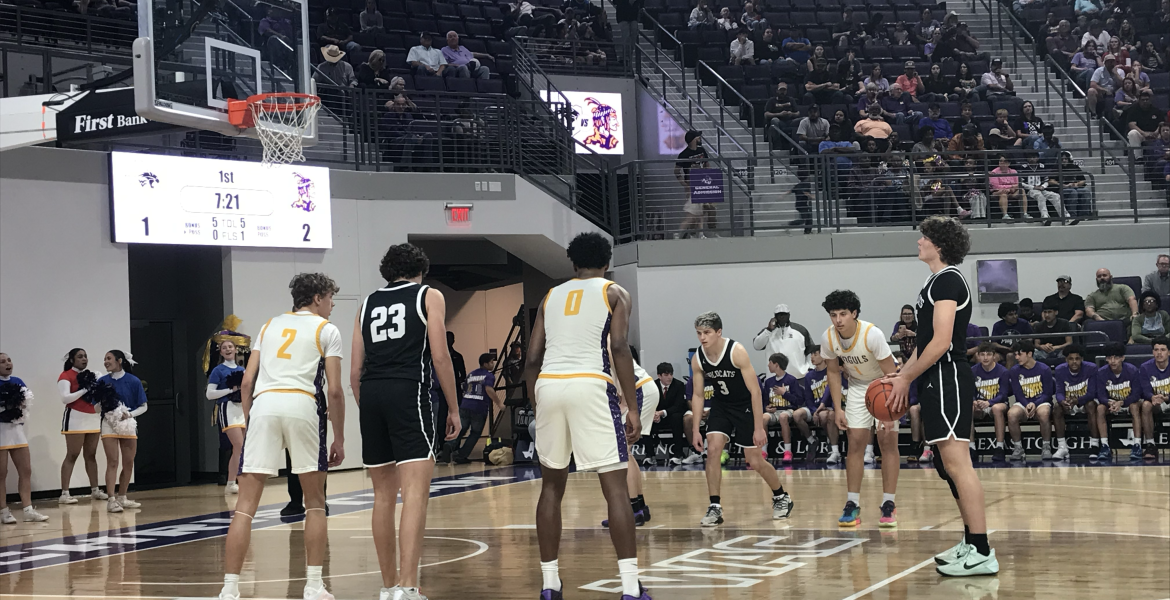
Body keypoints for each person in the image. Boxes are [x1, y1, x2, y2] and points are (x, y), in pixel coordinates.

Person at [523, 233, 650, 600]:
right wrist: (632, 406)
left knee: (550, 488)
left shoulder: (551, 295)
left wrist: (537, 402)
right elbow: (620, 348)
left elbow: (532, 358)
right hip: (590, 384)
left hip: (548, 384)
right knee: (615, 489)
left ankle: (550, 584)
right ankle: (629, 588)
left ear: (573, 263)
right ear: (607, 262)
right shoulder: (614, 292)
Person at [882, 215, 998, 577]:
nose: (919, 241)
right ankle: (970, 541)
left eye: (924, 236)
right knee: (945, 465)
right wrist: (902, 375)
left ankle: (982, 550)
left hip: (948, 377)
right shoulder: (934, 281)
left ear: (939, 244)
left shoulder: (948, 279)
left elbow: (942, 341)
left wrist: (906, 381)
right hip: (935, 377)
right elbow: (924, 344)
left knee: (958, 463)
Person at [218, 274, 346, 600]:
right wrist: (339, 437)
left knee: (245, 507)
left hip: (264, 405)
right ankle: (314, 586)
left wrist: (252, 421)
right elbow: (334, 390)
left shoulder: (268, 326)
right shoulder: (326, 329)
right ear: (317, 297)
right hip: (302, 404)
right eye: (331, 298)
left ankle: (230, 589)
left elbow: (247, 383)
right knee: (315, 504)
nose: (332, 305)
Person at [350, 247, 458, 600]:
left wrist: (369, 406)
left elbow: (355, 372)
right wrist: (454, 410)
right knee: (415, 494)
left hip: (371, 393)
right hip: (408, 391)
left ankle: (388, 586)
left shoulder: (365, 304)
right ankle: (408, 587)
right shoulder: (429, 295)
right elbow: (440, 356)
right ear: (421, 270)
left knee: (383, 495)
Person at [691, 311, 793, 527]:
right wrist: (695, 430)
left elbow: (755, 392)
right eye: (699, 333)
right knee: (713, 451)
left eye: (707, 332)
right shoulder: (698, 358)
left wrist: (759, 427)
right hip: (721, 405)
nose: (702, 337)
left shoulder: (736, 352)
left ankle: (781, 496)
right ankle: (715, 506)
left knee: (755, 460)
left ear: (719, 332)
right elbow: (698, 395)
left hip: (745, 405)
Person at [820, 290, 900, 528]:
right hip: (856, 389)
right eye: (834, 315)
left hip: (885, 386)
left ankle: (889, 503)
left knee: (888, 442)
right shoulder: (828, 337)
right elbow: (833, 372)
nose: (838, 320)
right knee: (855, 442)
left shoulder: (871, 334)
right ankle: (852, 503)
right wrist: (838, 408)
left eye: (843, 314)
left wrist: (890, 411)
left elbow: (892, 373)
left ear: (854, 313)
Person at [601, 351, 660, 527]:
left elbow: (621, 368)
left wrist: (626, 402)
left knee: (621, 452)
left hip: (638, 388)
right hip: (641, 388)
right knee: (626, 450)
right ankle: (640, 507)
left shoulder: (607, 339)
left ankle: (632, 510)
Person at [95, 350, 147, 514]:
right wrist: (103, 403)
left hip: (127, 423)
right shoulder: (102, 382)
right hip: (108, 423)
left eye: (109, 359)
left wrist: (129, 414)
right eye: (104, 359)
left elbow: (144, 406)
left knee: (128, 462)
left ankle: (122, 497)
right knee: (112, 461)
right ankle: (111, 499)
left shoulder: (133, 381)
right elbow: (95, 408)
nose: (105, 362)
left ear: (119, 361)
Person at [0, 353, 49, 524]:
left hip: (16, 429)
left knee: (26, 470)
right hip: (0, 430)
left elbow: (26, 404)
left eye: (9, 360)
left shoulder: (18, 382)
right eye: (2, 362)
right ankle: (3, 511)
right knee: (1, 473)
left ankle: (28, 509)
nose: (7, 363)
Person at [57, 348, 107, 504]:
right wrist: (85, 389)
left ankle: (95, 490)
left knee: (91, 455)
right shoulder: (66, 376)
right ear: (72, 360)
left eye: (85, 356)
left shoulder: (92, 375)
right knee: (72, 454)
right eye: (80, 357)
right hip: (75, 418)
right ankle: (64, 493)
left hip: (92, 417)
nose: (84, 359)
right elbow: (66, 398)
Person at [206, 330, 250, 495]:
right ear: (221, 351)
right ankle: (234, 481)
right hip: (227, 408)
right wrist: (229, 390)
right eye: (224, 347)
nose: (228, 349)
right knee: (238, 445)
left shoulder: (243, 370)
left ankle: (235, 481)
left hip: (241, 409)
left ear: (236, 349)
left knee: (242, 447)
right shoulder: (218, 370)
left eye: (230, 346)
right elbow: (209, 394)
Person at [444, 353, 501, 464]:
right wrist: (499, 403)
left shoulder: (471, 374)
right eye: (491, 362)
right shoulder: (489, 376)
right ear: (485, 364)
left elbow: (465, 388)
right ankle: (461, 455)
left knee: (460, 429)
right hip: (479, 407)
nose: (493, 364)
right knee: (475, 433)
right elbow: (489, 389)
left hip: (465, 404)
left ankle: (449, 445)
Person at [1005, 341, 1055, 461]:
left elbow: (1048, 394)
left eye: (1019, 354)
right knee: (1011, 414)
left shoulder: (1044, 369)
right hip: (1023, 402)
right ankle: (1018, 448)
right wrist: (1027, 404)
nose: (1017, 357)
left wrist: (1035, 403)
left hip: (1041, 401)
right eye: (1015, 355)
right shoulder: (1014, 371)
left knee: (1043, 413)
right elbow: (1017, 393)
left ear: (1029, 354)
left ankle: (1046, 446)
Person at [761, 353, 814, 463]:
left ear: (776, 365)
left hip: (787, 410)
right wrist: (767, 408)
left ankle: (787, 451)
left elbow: (799, 401)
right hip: (773, 411)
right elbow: (765, 400)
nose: (768, 365)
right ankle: (763, 451)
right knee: (763, 418)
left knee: (783, 417)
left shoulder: (791, 380)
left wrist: (784, 393)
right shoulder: (768, 382)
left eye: (770, 363)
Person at [1096, 343, 1142, 461]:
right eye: (1109, 358)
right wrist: (1109, 402)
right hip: (1111, 404)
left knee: (1134, 407)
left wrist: (1121, 403)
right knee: (1100, 408)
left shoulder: (1132, 370)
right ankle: (1105, 446)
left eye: (1116, 357)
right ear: (1106, 359)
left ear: (1122, 358)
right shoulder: (1101, 372)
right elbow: (1100, 395)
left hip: (1127, 402)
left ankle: (1137, 445)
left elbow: (1136, 394)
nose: (1113, 361)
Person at [752, 303, 815, 385]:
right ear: (774, 316)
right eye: (779, 315)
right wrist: (768, 330)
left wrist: (810, 369)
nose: (781, 317)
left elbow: (811, 351)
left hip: (799, 378)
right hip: (774, 379)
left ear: (789, 315)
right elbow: (757, 345)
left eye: (784, 315)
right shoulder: (768, 332)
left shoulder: (800, 330)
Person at [970, 343, 1009, 462]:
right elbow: (969, 392)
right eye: (982, 355)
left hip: (998, 403)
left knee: (996, 409)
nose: (985, 358)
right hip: (980, 404)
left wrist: (989, 402)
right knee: (967, 407)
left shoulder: (1003, 371)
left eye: (988, 354)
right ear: (978, 356)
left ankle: (999, 447)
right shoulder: (972, 371)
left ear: (994, 356)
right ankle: (971, 447)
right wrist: (974, 401)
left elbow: (1003, 394)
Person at [674, 130, 716, 236]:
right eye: (698, 137)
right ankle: (692, 234)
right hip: (692, 185)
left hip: (703, 184)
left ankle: (706, 233)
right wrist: (685, 185)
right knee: (694, 214)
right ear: (693, 139)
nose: (700, 139)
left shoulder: (702, 150)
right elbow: (676, 171)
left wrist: (709, 178)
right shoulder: (684, 154)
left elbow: (707, 164)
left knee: (709, 209)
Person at [806, 346, 842, 464]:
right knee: (821, 416)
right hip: (818, 408)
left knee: (828, 415)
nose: (812, 357)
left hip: (832, 405)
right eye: (811, 355)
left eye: (815, 354)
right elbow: (808, 398)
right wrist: (814, 411)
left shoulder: (831, 371)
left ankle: (833, 448)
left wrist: (823, 406)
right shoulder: (809, 376)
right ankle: (831, 444)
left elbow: (831, 390)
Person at [1138, 337, 1170, 459]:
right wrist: (1153, 397)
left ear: (1169, 352)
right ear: (1152, 352)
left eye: (1162, 350)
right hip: (1156, 402)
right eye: (1156, 350)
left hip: (1168, 399)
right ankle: (1150, 444)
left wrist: (1167, 398)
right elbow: (1144, 390)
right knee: (1146, 405)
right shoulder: (1145, 367)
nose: (1159, 353)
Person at [654, 362, 689, 465]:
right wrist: (655, 414)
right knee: (647, 419)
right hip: (658, 416)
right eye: (666, 375)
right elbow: (649, 402)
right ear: (659, 376)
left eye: (671, 374)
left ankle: (678, 454)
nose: (669, 377)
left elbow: (678, 405)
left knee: (677, 418)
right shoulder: (652, 385)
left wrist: (662, 412)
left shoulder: (679, 385)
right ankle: (649, 455)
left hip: (672, 415)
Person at [1019, 154, 1067, 225]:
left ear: (1037, 158)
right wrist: (1033, 187)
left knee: (1055, 196)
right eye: (1030, 157)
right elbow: (1021, 183)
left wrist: (1043, 187)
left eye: (1034, 157)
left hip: (1042, 189)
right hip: (1030, 190)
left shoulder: (1042, 167)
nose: (1032, 159)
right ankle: (1045, 217)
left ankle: (1064, 215)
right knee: (1040, 197)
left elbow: (1046, 181)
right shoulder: (1023, 168)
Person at [1032, 297, 1074, 362]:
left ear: (1056, 312)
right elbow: (1036, 344)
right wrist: (1042, 346)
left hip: (1061, 350)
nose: (1047, 315)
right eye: (1045, 312)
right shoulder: (1039, 325)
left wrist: (1056, 347)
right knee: (1034, 354)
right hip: (1044, 351)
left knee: (1068, 354)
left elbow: (1069, 342)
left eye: (1049, 312)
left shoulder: (1064, 323)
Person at [989, 155, 1026, 221]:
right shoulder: (994, 172)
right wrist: (1009, 187)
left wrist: (1011, 188)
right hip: (998, 192)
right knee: (1003, 194)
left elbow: (1018, 184)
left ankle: (1025, 214)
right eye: (1000, 161)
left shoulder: (1013, 172)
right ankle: (1005, 215)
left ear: (1009, 163)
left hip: (1012, 192)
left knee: (1022, 191)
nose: (1002, 162)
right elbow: (996, 186)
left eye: (1004, 161)